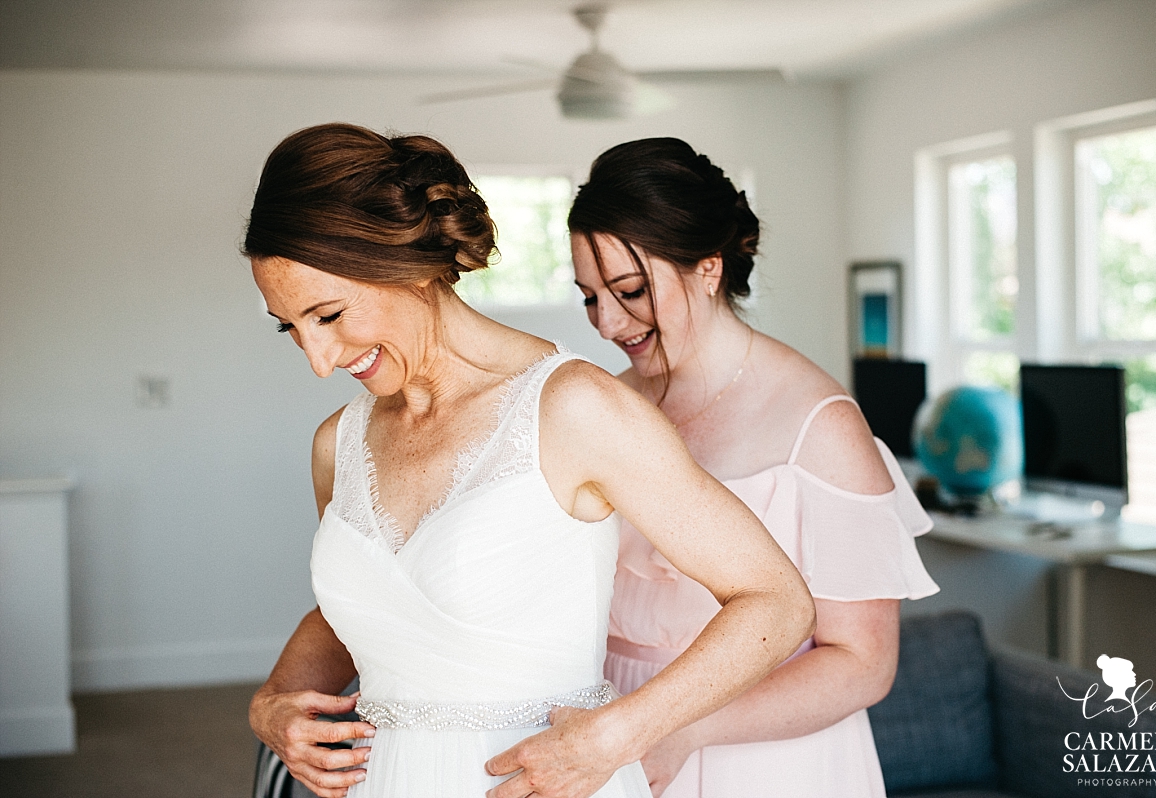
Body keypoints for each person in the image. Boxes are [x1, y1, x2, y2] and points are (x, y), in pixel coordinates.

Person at [243, 123, 815, 798]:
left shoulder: (575, 409)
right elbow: (369, 612)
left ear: (406, 264)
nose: (319, 360)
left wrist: (615, 736)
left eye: (329, 315)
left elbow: (776, 601)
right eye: (291, 327)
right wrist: (274, 699)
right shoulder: (336, 444)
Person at [567, 137, 939, 798]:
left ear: (708, 268)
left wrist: (680, 728)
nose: (606, 322)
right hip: (610, 740)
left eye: (628, 291)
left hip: (760, 757)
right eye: (590, 296)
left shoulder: (818, 424)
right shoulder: (606, 406)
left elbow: (863, 664)